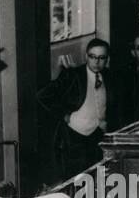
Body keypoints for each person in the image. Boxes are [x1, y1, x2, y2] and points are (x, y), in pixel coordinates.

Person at [36, 37, 122, 181]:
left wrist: (106, 122)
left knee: (97, 177)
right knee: (75, 178)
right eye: (92, 57)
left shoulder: (111, 76)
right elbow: (42, 95)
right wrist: (63, 114)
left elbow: (114, 105)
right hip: (74, 135)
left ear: (107, 59)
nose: (97, 62)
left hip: (98, 136)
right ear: (86, 56)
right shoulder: (72, 75)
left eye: (102, 58)